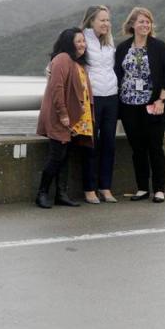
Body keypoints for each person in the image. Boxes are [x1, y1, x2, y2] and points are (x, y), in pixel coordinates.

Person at [115, 7, 165, 203]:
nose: (145, 25)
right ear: (132, 24)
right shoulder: (123, 48)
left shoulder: (159, 47)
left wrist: (161, 100)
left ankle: (159, 189)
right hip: (129, 105)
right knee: (137, 148)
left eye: (148, 21)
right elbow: (116, 74)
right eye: (141, 21)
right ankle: (142, 188)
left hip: (153, 104)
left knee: (155, 147)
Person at [35, 28, 94, 209]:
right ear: (69, 43)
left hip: (75, 119)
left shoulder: (78, 62)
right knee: (56, 155)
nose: (82, 44)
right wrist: (63, 114)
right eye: (78, 41)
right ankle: (42, 193)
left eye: (84, 41)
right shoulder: (62, 59)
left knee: (65, 155)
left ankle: (61, 194)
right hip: (61, 117)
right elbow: (57, 88)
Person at [80, 5, 119, 204]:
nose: (106, 24)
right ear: (91, 21)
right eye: (102, 20)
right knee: (91, 144)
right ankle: (89, 189)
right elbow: (61, 61)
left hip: (111, 97)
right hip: (92, 99)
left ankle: (105, 187)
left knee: (109, 144)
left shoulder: (109, 41)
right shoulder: (82, 40)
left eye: (108, 20)